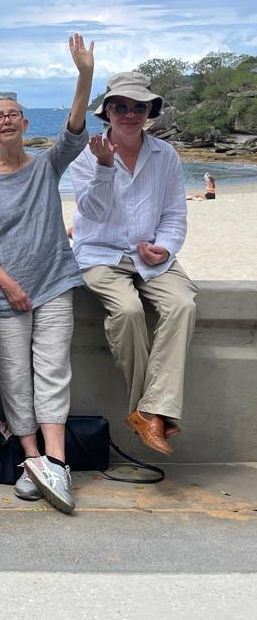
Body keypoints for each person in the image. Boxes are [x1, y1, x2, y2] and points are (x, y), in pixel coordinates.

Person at [0, 34, 94, 514]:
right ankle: (32, 459)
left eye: (12, 114)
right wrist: (10, 285)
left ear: (23, 123)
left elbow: (75, 132)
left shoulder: (46, 168)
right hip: (5, 296)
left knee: (52, 372)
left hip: (55, 284)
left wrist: (84, 75)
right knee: (15, 378)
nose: (5, 120)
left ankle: (56, 465)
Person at [71, 71, 197, 456]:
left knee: (182, 305)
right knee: (126, 311)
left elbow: (175, 214)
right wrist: (105, 168)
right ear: (107, 111)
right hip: (100, 254)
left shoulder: (166, 156)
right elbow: (90, 212)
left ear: (149, 111)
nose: (129, 113)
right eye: (120, 106)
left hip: (150, 256)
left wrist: (165, 247)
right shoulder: (85, 156)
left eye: (138, 107)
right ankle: (152, 411)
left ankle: (149, 411)